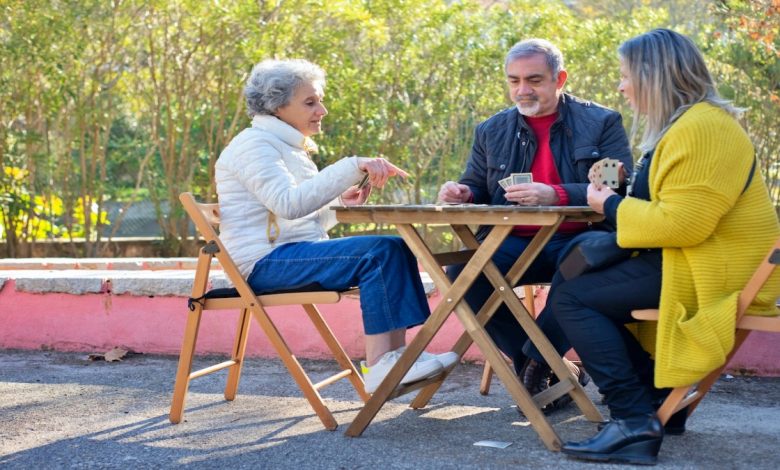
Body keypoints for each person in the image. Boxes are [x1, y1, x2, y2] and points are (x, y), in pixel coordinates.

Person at [552, 29, 780, 465]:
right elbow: (674, 208)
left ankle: (634, 421)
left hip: (715, 268)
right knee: (576, 281)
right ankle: (657, 399)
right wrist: (622, 192)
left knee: (574, 298)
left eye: (625, 76)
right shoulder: (689, 125)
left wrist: (610, 203)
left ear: (655, 76)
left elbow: (684, 224)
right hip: (696, 259)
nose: (621, 87)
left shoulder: (704, 129)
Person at [215, 59, 457, 394]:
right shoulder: (253, 145)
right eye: (310, 102)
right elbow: (288, 203)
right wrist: (352, 165)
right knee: (379, 251)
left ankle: (398, 358)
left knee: (396, 245)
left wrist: (341, 203)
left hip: (289, 254)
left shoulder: (288, 147)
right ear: (278, 106)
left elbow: (299, 218)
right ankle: (380, 364)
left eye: (319, 100)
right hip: (262, 263)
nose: (322, 110)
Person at [438, 38, 633, 405]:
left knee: (584, 267)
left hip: (581, 236)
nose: (522, 90)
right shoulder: (490, 130)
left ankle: (537, 364)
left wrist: (556, 194)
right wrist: (462, 192)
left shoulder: (603, 121)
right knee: (465, 278)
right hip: (513, 239)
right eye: (513, 81)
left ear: (560, 78)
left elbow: (616, 184)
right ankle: (547, 365)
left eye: (534, 80)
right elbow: (476, 183)